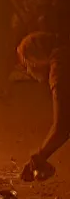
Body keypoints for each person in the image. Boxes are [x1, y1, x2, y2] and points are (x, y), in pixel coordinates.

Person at [18, 31, 70, 181]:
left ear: (35, 58)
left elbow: (62, 127)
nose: (29, 71)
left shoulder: (60, 70)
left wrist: (39, 157)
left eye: (27, 64)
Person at [6, 0, 56, 81]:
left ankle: (38, 70)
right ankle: (17, 67)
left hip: (36, 10)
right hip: (20, 9)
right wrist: (21, 12)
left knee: (37, 38)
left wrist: (45, 5)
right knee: (16, 36)